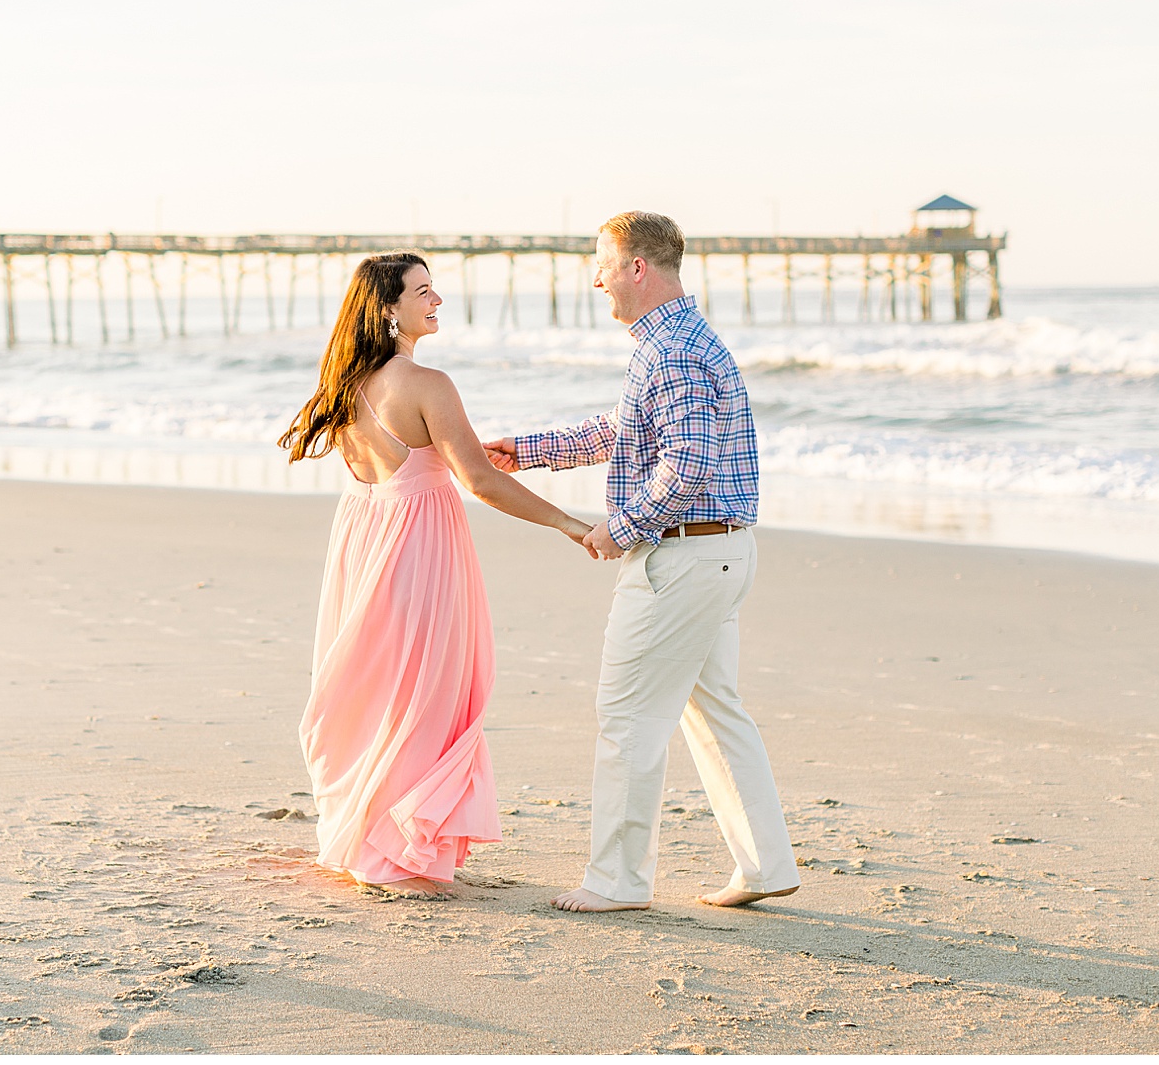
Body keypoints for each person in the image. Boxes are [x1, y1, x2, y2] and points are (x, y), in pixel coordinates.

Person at [482, 211, 801, 913]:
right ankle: (766, 862)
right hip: (716, 552)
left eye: (602, 262)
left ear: (636, 267)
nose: (594, 277)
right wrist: (527, 450)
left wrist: (618, 528)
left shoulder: (675, 351)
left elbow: (686, 466)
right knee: (714, 708)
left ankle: (616, 881)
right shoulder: (670, 342)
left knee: (627, 714)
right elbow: (625, 433)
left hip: (685, 556)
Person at [279, 253, 594, 899]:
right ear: (388, 308)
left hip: (367, 539)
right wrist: (568, 522)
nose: (438, 300)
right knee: (427, 693)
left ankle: (375, 838)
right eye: (423, 291)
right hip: (418, 545)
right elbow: (478, 480)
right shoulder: (427, 383)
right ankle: (402, 848)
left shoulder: (344, 381)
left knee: (383, 691)